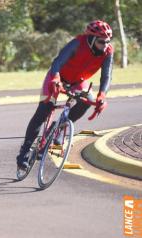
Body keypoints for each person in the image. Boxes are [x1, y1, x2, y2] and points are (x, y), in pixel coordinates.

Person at [16, 20, 114, 169]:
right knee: (43, 111)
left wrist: (102, 95)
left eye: (108, 41)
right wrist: (55, 78)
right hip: (57, 77)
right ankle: (24, 152)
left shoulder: (108, 51)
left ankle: (59, 128)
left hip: (79, 81)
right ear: (92, 39)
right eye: (102, 41)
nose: (105, 45)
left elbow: (106, 76)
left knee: (88, 100)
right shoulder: (77, 43)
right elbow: (57, 62)